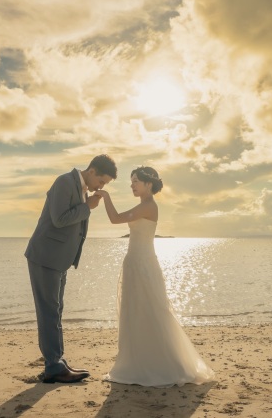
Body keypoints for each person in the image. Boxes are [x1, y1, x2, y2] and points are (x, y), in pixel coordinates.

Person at [95, 166, 215, 387]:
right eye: (131, 181)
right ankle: (137, 362)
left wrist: (106, 196)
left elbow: (115, 218)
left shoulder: (149, 206)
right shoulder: (143, 205)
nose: (132, 185)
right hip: (135, 262)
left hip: (143, 265)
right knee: (135, 312)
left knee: (150, 311)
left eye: (136, 181)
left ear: (148, 184)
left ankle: (155, 365)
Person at [24, 154, 117, 383]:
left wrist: (86, 205)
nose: (101, 187)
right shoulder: (65, 182)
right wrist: (87, 207)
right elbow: (59, 219)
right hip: (45, 256)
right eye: (101, 181)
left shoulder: (81, 188)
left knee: (55, 310)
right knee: (49, 311)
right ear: (92, 171)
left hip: (59, 259)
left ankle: (56, 362)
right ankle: (54, 367)